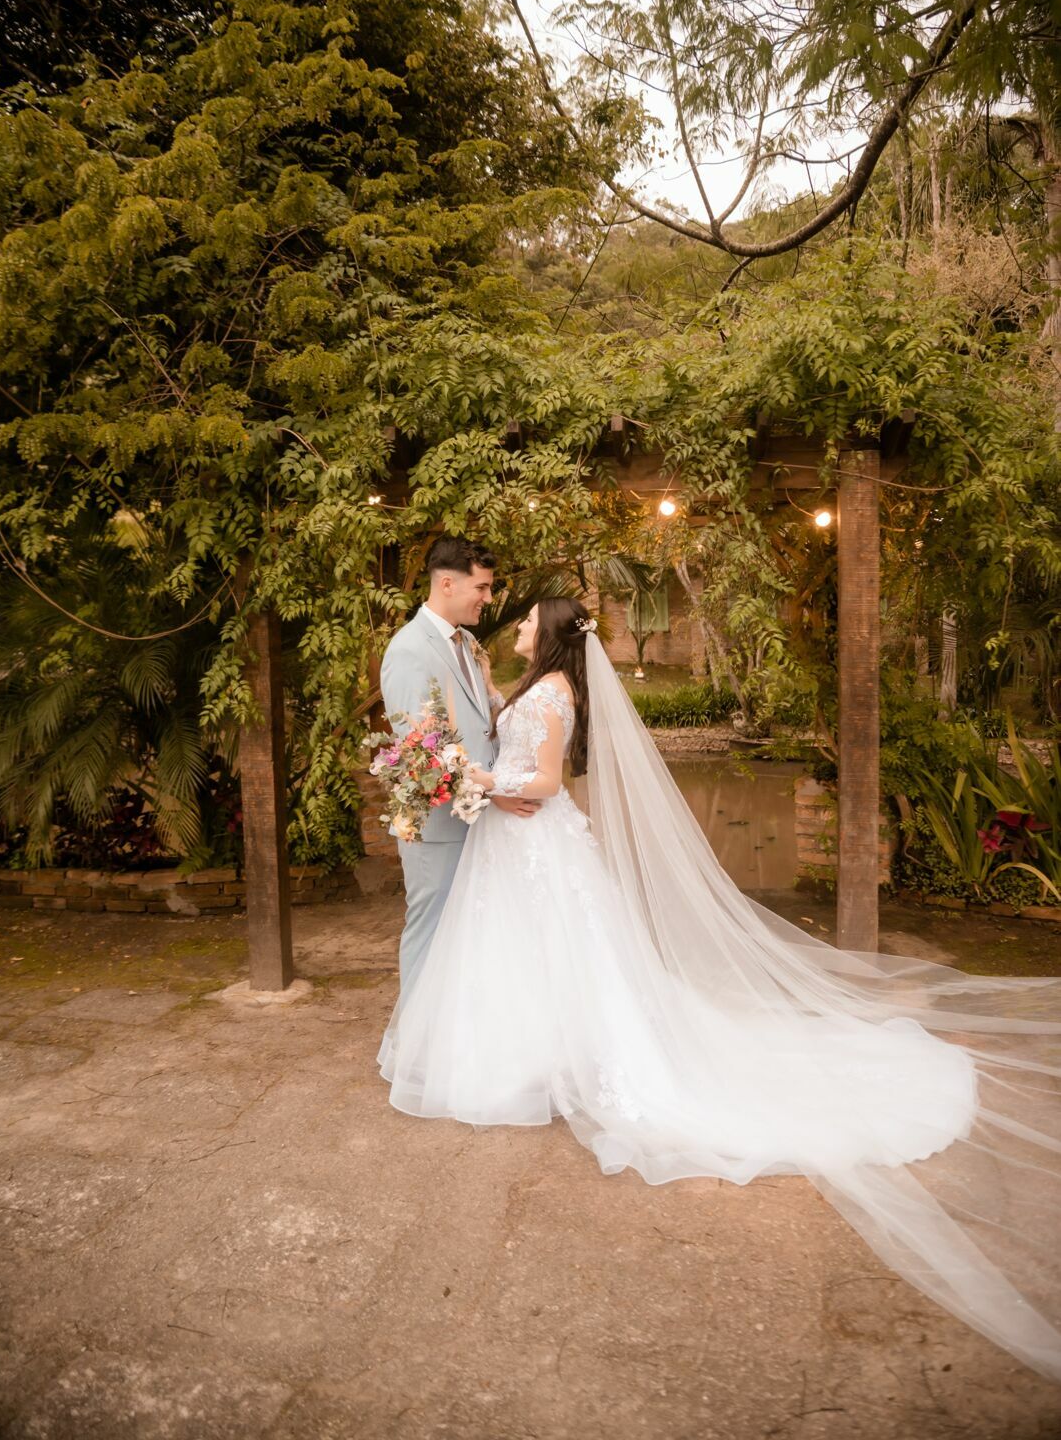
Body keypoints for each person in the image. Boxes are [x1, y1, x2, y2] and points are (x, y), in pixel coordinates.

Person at [378, 595, 1061, 1382]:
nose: (521, 625)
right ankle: (532, 1055)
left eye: (532, 619)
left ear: (555, 633)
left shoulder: (557, 693)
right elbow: (509, 739)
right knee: (525, 956)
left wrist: (485, 782)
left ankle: (581, 1056)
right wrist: (475, 768)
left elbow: (551, 783)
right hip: (515, 844)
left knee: (568, 955)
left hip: (535, 841)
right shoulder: (530, 683)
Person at [379, 536, 539, 992]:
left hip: (477, 818)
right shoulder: (409, 649)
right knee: (431, 933)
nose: (489, 599)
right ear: (447, 583)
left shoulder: (467, 642)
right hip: (435, 824)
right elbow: (420, 750)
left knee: (468, 937)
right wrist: (495, 789)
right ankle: (416, 1049)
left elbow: (482, 725)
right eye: (483, 588)